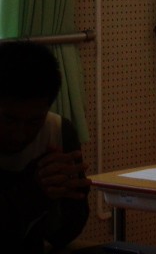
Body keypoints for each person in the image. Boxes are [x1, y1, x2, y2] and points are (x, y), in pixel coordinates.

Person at [0, 41, 90, 254]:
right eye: (9, 120)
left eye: (34, 122)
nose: (20, 133)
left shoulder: (57, 132)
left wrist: (69, 192)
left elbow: (63, 236)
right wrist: (32, 192)